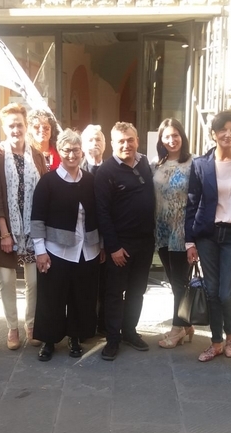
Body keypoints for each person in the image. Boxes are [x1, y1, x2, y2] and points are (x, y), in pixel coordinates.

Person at [185, 110, 231, 362]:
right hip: (207, 235)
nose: (228, 134)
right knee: (212, 291)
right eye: (223, 129)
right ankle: (216, 342)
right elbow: (191, 203)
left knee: (227, 292)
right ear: (214, 133)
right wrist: (190, 241)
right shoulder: (200, 164)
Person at [31, 129, 101, 361]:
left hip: (87, 250)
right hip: (56, 250)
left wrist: (100, 245)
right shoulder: (48, 182)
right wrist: (40, 251)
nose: (72, 155)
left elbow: (98, 215)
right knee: (52, 298)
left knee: (81, 296)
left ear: (82, 152)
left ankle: (75, 337)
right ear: (59, 152)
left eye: (76, 150)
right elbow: (37, 219)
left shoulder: (90, 180)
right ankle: (49, 341)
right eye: (66, 150)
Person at [0, 103, 47, 350]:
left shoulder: (37, 156)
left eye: (19, 125)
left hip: (33, 230)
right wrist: (4, 233)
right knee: (6, 280)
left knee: (34, 281)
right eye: (11, 125)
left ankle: (31, 325)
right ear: (4, 127)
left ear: (26, 126)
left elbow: (44, 194)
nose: (15, 129)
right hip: (7, 229)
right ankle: (12, 327)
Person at [94, 122, 156, 360]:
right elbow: (102, 212)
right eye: (121, 141)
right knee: (114, 293)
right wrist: (114, 247)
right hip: (121, 245)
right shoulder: (106, 172)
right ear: (112, 144)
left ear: (137, 140)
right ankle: (113, 339)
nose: (126, 145)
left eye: (130, 140)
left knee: (137, 291)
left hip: (145, 242)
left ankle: (130, 331)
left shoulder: (145, 164)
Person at [151, 118, 195, 349]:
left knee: (179, 282)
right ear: (161, 140)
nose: (171, 140)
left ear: (182, 136)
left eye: (175, 135)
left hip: (182, 232)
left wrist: (193, 238)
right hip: (162, 231)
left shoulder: (193, 163)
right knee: (174, 280)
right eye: (166, 136)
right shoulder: (156, 164)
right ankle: (186, 324)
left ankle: (177, 328)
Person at [80, 124, 106, 334]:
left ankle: (104, 325)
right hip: (82, 238)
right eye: (90, 139)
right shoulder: (77, 170)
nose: (94, 143)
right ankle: (86, 326)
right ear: (82, 145)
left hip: (106, 237)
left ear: (105, 144)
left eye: (98, 139)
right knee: (85, 284)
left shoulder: (111, 170)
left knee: (105, 284)